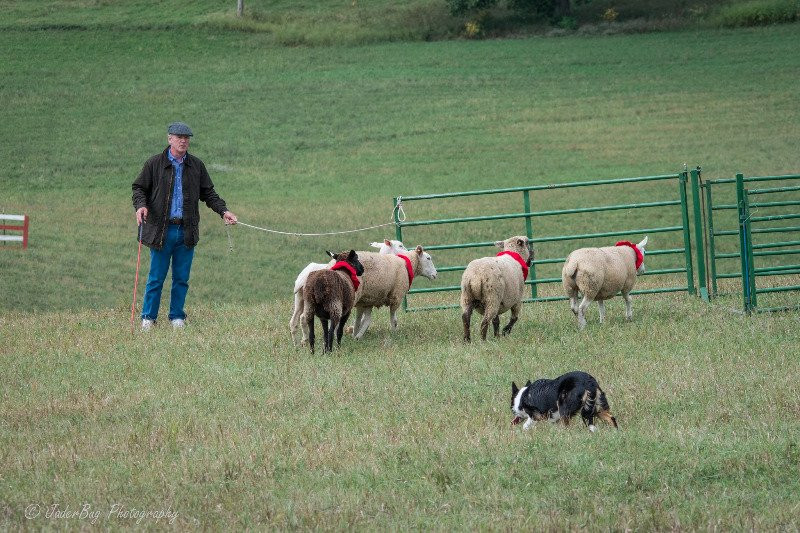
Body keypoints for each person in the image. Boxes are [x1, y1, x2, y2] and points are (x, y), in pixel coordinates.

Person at [132, 121, 237, 330]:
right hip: (161, 231)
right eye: (179, 137)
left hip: (186, 231)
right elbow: (139, 188)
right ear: (169, 139)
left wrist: (224, 211)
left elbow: (208, 193)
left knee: (181, 278)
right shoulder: (154, 164)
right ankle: (148, 317)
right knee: (156, 277)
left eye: (186, 138)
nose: (183, 141)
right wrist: (141, 206)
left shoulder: (196, 166)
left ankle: (176, 317)